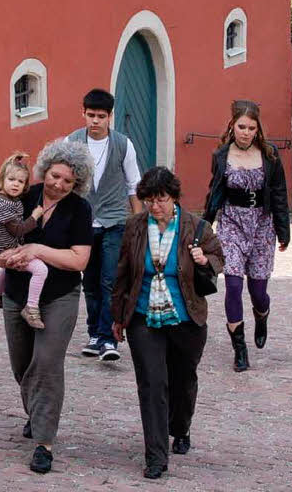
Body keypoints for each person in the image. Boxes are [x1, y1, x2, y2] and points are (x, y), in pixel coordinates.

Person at [0, 139, 93, 475]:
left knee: (46, 363)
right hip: (16, 293)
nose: (59, 184)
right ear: (45, 171)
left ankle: (44, 442)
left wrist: (36, 249)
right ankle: (36, 410)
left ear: (77, 183)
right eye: (55, 176)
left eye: (68, 181)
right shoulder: (23, 194)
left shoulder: (79, 209)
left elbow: (79, 259)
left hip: (60, 296)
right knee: (22, 364)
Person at [110, 167, 224, 480]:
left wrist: (205, 260)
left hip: (186, 317)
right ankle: (156, 456)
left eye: (160, 199)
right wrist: (118, 317)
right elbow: (121, 274)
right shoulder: (134, 227)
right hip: (144, 316)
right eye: (149, 200)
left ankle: (180, 427)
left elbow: (218, 256)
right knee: (152, 383)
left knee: (182, 379)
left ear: (173, 197)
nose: (154, 206)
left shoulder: (196, 227)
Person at [204, 100, 290, 373]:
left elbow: (278, 193)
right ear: (232, 125)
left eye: (251, 128)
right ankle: (239, 349)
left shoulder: (269, 155)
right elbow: (215, 191)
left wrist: (283, 230)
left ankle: (261, 314)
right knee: (233, 284)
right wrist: (204, 227)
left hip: (261, 224)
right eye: (241, 126)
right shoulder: (221, 155)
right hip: (231, 222)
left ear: (257, 129)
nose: (246, 132)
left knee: (258, 291)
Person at [66, 88, 142, 362]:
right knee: (91, 283)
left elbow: (134, 185)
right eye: (90, 115)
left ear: (110, 116)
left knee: (111, 280)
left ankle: (109, 338)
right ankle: (94, 335)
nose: (95, 121)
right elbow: (61, 185)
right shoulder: (72, 143)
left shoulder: (123, 145)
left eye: (101, 116)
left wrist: (138, 224)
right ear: (83, 114)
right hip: (83, 224)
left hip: (114, 222)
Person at [0, 152, 47, 329]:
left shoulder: (5, 198)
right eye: (11, 179)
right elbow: (18, 229)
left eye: (20, 182)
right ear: (2, 179)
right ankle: (32, 307)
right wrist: (35, 216)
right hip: (5, 248)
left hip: (4, 246)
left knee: (7, 267)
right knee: (41, 269)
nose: (15, 184)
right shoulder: (3, 204)